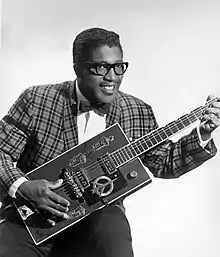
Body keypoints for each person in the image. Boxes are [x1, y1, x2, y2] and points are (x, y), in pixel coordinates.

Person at [0, 27, 220, 257]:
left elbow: (164, 163)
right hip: (30, 220)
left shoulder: (137, 111)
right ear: (78, 68)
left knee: (114, 233)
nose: (112, 77)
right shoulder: (37, 100)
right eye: (101, 67)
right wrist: (22, 187)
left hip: (97, 222)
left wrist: (203, 134)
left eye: (118, 67)